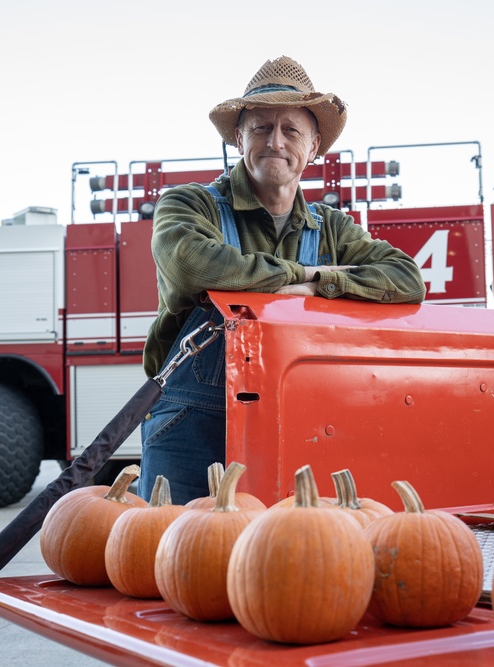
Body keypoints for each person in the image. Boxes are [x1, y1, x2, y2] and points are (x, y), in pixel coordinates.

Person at [139, 56, 426, 504]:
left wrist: (316, 290)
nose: (275, 141)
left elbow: (406, 279)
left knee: (285, 560)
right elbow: (196, 265)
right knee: (177, 554)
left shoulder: (332, 227)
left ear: (313, 148)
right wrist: (308, 273)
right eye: (260, 128)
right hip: (191, 426)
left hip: (297, 425)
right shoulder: (188, 205)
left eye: (291, 130)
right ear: (239, 139)